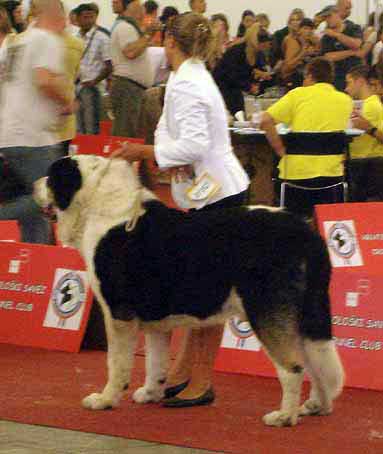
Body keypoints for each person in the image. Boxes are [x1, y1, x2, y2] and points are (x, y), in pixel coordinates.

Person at [112, 12, 250, 407]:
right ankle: (184, 372)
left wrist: (147, 153)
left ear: (170, 41)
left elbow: (191, 144)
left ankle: (201, 382)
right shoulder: (185, 76)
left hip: (218, 196)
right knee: (203, 290)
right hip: (211, 191)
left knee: (211, 295)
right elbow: (170, 133)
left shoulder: (188, 82)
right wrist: (165, 153)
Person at [0, 0, 72, 243]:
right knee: (52, 195)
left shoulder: (15, 43)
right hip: (33, 137)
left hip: (10, 134)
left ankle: (37, 267)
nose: (66, 22)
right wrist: (67, 101)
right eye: (63, 15)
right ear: (50, 13)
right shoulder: (46, 39)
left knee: (33, 212)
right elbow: (45, 81)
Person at [260, 57, 353, 216]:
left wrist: (280, 149)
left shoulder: (297, 95)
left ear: (310, 76)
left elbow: (265, 120)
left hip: (296, 177)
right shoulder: (346, 100)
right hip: (333, 178)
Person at [110, 0, 158, 138]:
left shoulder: (129, 27)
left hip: (132, 88)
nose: (143, 9)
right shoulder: (125, 27)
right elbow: (130, 52)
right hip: (128, 89)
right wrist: (148, 35)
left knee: (132, 133)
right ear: (130, 7)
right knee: (125, 135)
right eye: (139, 5)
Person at [346, 65, 383, 201]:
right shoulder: (361, 105)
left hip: (369, 167)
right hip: (361, 165)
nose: (346, 88)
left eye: (349, 82)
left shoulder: (372, 105)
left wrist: (369, 128)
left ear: (360, 81)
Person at [76, 3, 112, 135]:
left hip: (93, 88)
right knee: (78, 126)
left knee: (91, 126)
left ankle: (91, 152)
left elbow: (109, 65)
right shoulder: (76, 38)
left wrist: (94, 81)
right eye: (85, 17)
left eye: (92, 17)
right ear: (78, 19)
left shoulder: (102, 37)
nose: (89, 20)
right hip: (77, 86)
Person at [213, 23, 260, 117]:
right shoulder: (237, 51)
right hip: (223, 91)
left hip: (235, 92)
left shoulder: (253, 53)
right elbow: (231, 74)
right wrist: (248, 86)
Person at [320, 5, 362, 91]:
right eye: (325, 18)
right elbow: (328, 57)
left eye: (329, 16)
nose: (327, 20)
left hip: (355, 75)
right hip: (337, 78)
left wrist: (336, 35)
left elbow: (356, 44)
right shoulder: (326, 37)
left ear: (337, 14)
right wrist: (351, 52)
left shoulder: (353, 28)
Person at [281, 18, 319, 90]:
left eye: (311, 29)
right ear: (299, 30)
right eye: (305, 28)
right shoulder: (293, 42)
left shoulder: (312, 42)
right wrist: (303, 54)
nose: (308, 31)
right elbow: (287, 66)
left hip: (308, 81)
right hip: (293, 80)